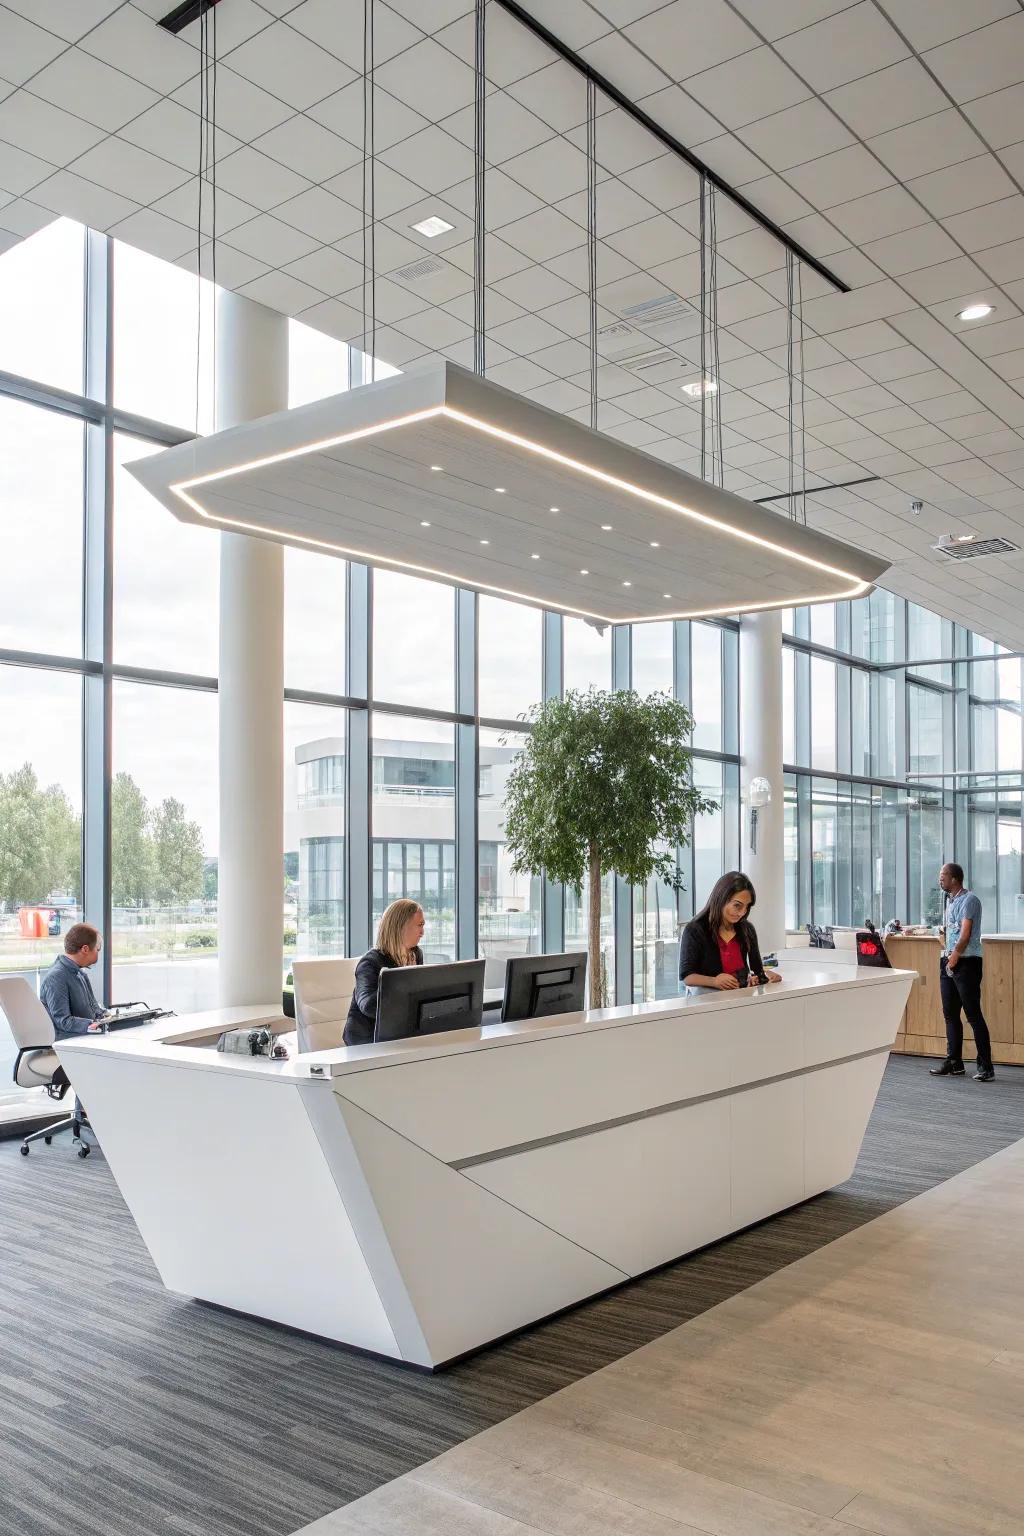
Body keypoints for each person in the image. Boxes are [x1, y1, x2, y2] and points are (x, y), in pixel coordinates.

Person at [931, 862, 994, 1082]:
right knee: (950, 1014)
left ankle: (986, 1067)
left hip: (966, 962)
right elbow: (952, 930)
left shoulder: (970, 900)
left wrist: (955, 955)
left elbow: (966, 934)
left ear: (955, 878)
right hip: (949, 960)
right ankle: (954, 1062)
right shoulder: (950, 901)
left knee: (973, 1014)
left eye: (943, 875)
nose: (940, 879)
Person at [679, 872, 782, 992]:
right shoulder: (695, 930)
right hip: (707, 1002)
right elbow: (687, 976)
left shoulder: (747, 929)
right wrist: (715, 981)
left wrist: (767, 975)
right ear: (721, 898)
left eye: (747, 907)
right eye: (737, 905)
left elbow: (757, 970)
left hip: (740, 1000)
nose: (742, 912)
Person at [344, 899, 425, 1046]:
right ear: (401, 927)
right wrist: (403, 978)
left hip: (398, 1036)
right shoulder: (370, 962)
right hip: (366, 1043)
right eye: (419, 925)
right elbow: (367, 1006)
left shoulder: (415, 954)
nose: (422, 932)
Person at [40, 924, 107, 1039]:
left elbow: (94, 1008)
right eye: (98, 949)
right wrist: (93, 1025)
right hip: (72, 1041)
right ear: (85, 949)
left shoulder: (80, 973)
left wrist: (109, 1017)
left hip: (87, 1036)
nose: (98, 953)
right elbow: (63, 1021)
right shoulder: (56, 977)